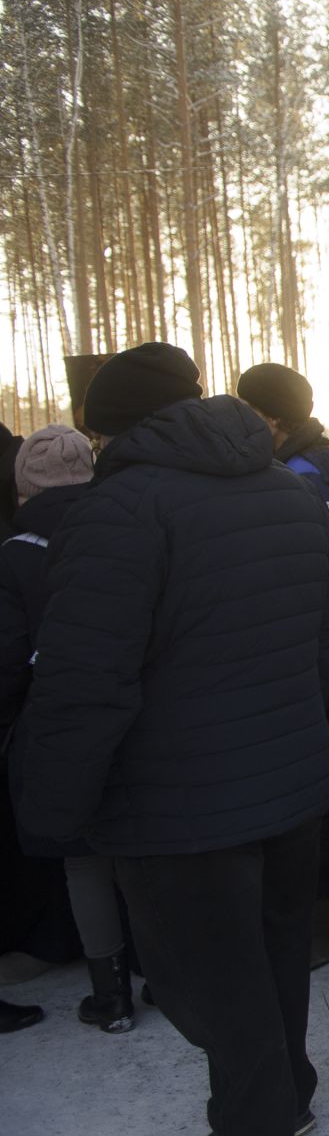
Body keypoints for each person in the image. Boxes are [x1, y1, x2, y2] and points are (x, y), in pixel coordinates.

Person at [10, 342, 329, 1136]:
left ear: (109, 429)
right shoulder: (288, 490)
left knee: (204, 978)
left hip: (177, 800)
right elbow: (324, 643)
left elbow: (86, 678)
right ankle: (286, 1093)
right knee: (271, 956)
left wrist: (45, 806)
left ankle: (252, 1133)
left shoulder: (116, 512)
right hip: (285, 776)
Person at [0, 426, 136, 1034]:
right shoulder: (126, 530)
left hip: (52, 720)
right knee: (142, 845)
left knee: (82, 860)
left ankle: (110, 997)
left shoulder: (13, 553)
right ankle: (161, 974)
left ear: (23, 484)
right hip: (135, 712)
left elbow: (8, 660)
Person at [237, 362, 329, 504]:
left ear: (274, 417)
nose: (241, 417)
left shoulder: (304, 474)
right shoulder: (298, 463)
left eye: (246, 409)